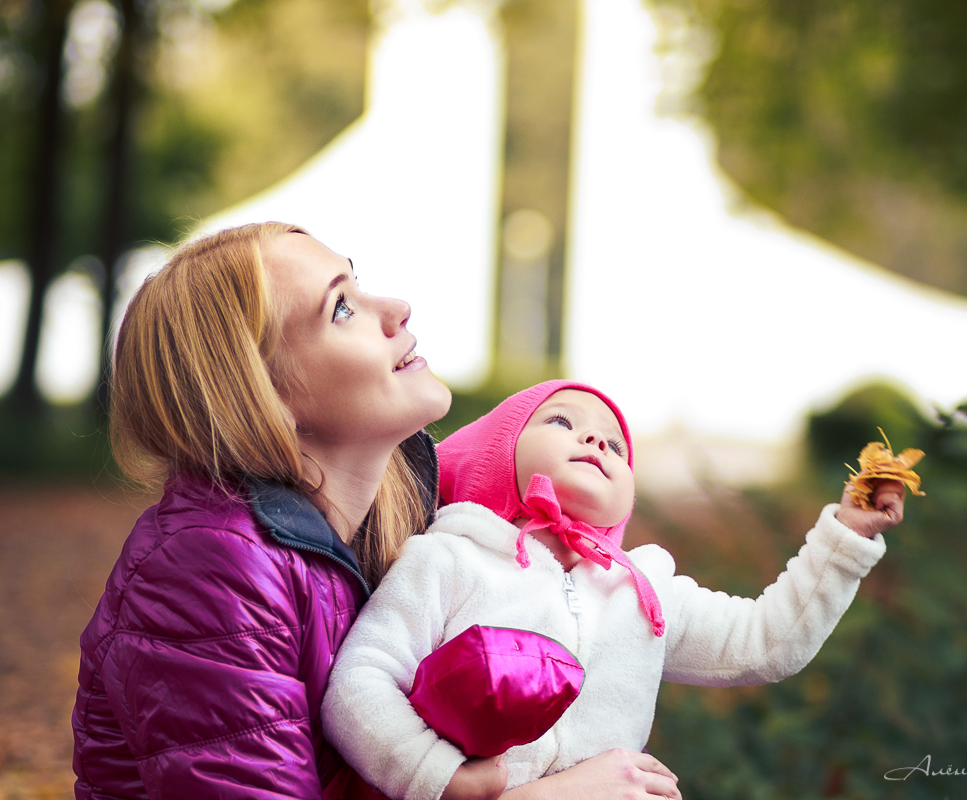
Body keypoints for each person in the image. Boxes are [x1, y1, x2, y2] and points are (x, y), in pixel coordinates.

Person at [71, 224, 678, 800]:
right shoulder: (208, 570)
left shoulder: (414, 529)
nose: (396, 308)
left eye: (357, 282)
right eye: (342, 308)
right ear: (265, 395)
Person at [325, 380, 905, 800]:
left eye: (616, 444)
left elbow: (765, 642)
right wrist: (440, 778)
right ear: (498, 451)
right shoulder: (450, 557)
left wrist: (845, 539)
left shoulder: (643, 590)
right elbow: (358, 684)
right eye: (561, 422)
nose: (596, 441)